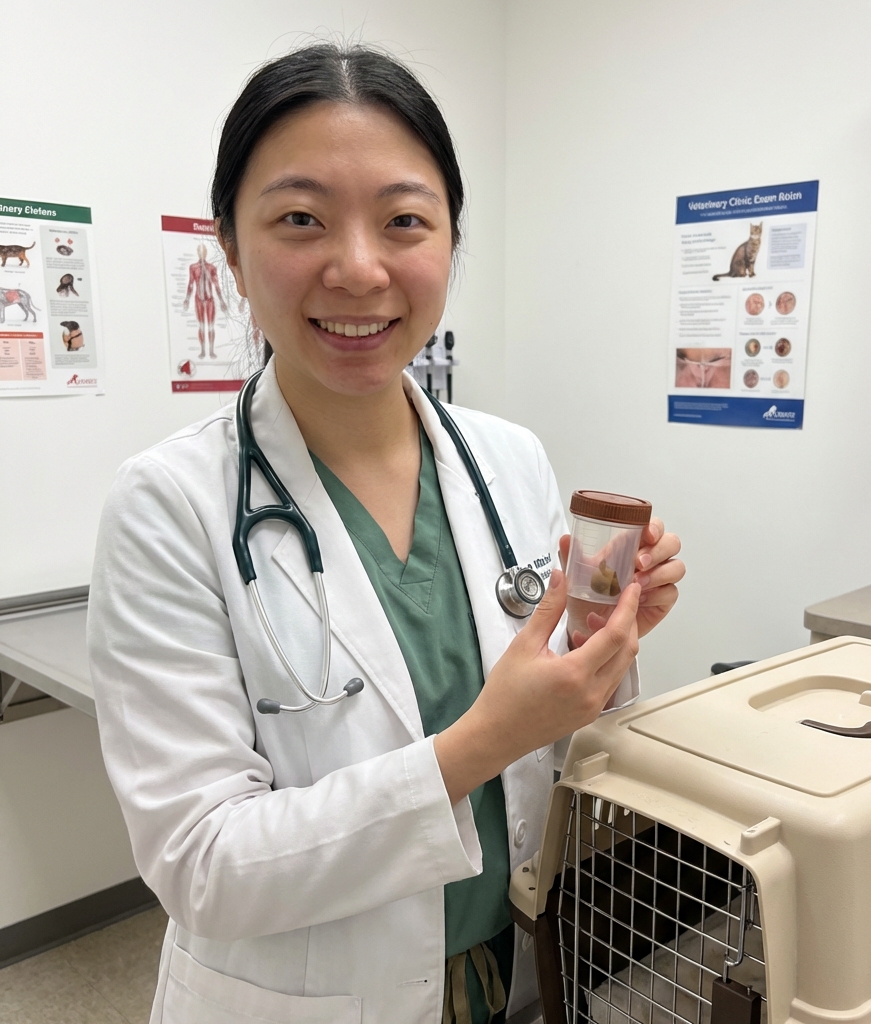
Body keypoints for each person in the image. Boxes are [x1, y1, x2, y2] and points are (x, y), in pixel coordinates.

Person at [87, 44, 684, 1024]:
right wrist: (480, 741)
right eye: (299, 219)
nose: (359, 268)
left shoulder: (509, 460)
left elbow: (553, 738)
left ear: (451, 242)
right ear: (230, 251)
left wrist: (602, 640)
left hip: (508, 963)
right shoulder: (168, 505)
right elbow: (204, 866)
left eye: (404, 221)